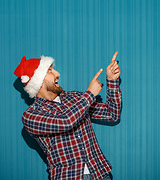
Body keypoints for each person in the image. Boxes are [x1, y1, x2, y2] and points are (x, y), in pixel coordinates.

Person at [14, 51, 122, 180]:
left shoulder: (75, 98)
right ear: (39, 81)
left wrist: (112, 81)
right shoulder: (31, 116)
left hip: (100, 173)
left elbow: (112, 114)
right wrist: (90, 94)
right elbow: (66, 122)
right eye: (50, 71)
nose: (58, 74)